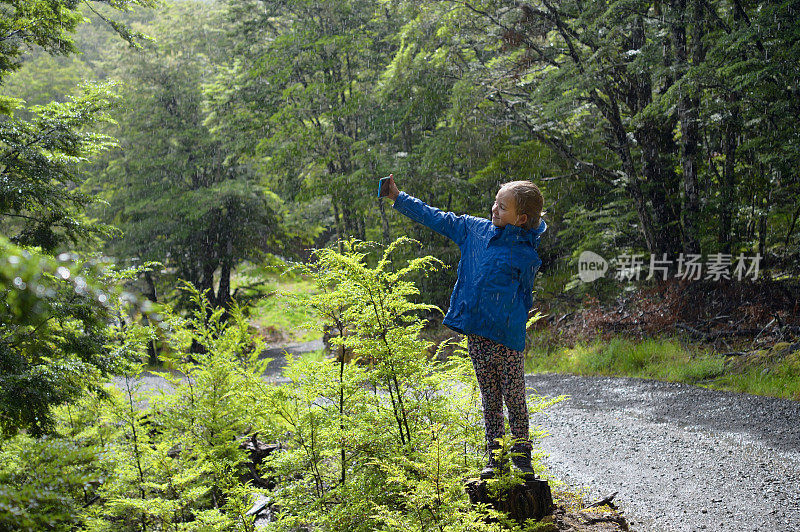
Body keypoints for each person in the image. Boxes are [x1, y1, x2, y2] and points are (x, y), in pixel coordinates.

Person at [379, 174, 546, 479]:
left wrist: (514, 327)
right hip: (478, 335)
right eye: (495, 203)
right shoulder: (474, 230)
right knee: (490, 398)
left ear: (521, 219)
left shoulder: (526, 254)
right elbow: (437, 219)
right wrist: (398, 198)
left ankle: (522, 458)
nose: (494, 209)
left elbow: (524, 296)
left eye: (503, 207)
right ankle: (495, 458)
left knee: (514, 397)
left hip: (508, 340)